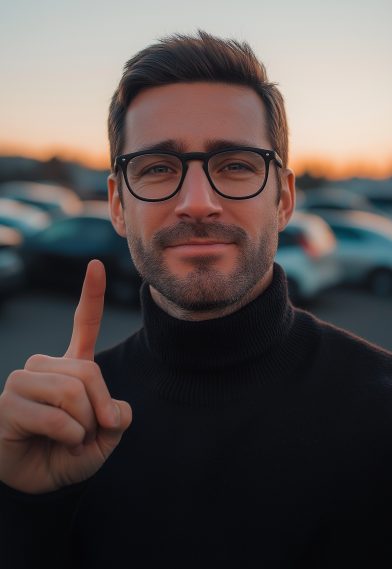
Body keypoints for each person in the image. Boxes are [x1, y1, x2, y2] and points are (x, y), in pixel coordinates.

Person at [1, 31, 392, 569]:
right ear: (118, 204)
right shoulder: (68, 424)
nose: (198, 203)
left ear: (283, 199)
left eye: (235, 164)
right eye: (158, 168)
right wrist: (26, 507)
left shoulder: (381, 414)